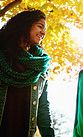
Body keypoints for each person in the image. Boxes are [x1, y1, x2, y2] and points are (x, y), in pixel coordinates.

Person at [0, 9, 55, 137]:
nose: (43, 32)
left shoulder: (41, 65)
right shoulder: (3, 56)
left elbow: (43, 107)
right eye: (40, 26)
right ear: (25, 25)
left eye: (44, 29)